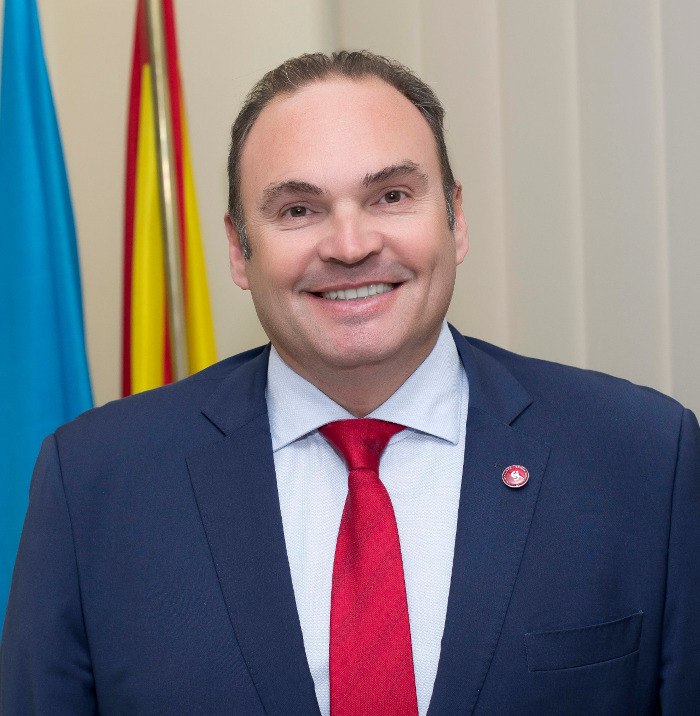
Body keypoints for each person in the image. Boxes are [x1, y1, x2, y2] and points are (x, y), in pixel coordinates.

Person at [1, 50, 699, 715]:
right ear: (239, 250)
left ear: (456, 220)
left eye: (391, 195)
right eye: (298, 209)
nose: (351, 244)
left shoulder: (643, 458)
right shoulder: (94, 480)